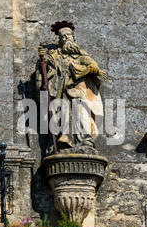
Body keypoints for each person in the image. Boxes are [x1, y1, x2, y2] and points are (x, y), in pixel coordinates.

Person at [36, 21, 107, 152]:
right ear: (60, 40)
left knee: (81, 112)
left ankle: (85, 139)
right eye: (63, 36)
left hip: (78, 91)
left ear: (73, 37)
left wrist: (90, 69)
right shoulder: (54, 55)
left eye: (68, 35)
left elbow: (93, 66)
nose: (66, 38)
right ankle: (63, 139)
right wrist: (43, 60)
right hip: (60, 90)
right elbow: (47, 71)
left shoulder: (80, 54)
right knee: (62, 112)